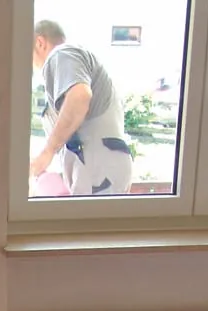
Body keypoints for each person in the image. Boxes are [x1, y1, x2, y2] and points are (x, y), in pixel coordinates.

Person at [30, 20, 133, 196]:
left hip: (99, 172)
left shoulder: (61, 54)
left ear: (40, 43)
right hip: (101, 171)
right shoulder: (72, 61)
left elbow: (79, 96)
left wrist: (47, 152)